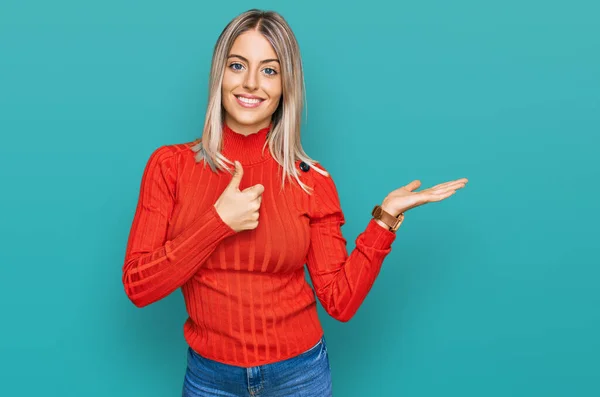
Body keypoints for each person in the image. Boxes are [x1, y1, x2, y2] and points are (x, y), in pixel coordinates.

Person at [122, 8, 468, 397]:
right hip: (210, 380)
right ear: (219, 75)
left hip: (299, 377)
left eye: (269, 70)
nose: (251, 83)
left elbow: (339, 302)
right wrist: (218, 221)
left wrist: (385, 219)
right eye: (238, 65)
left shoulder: (310, 179)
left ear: (287, 86)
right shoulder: (170, 167)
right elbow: (139, 287)